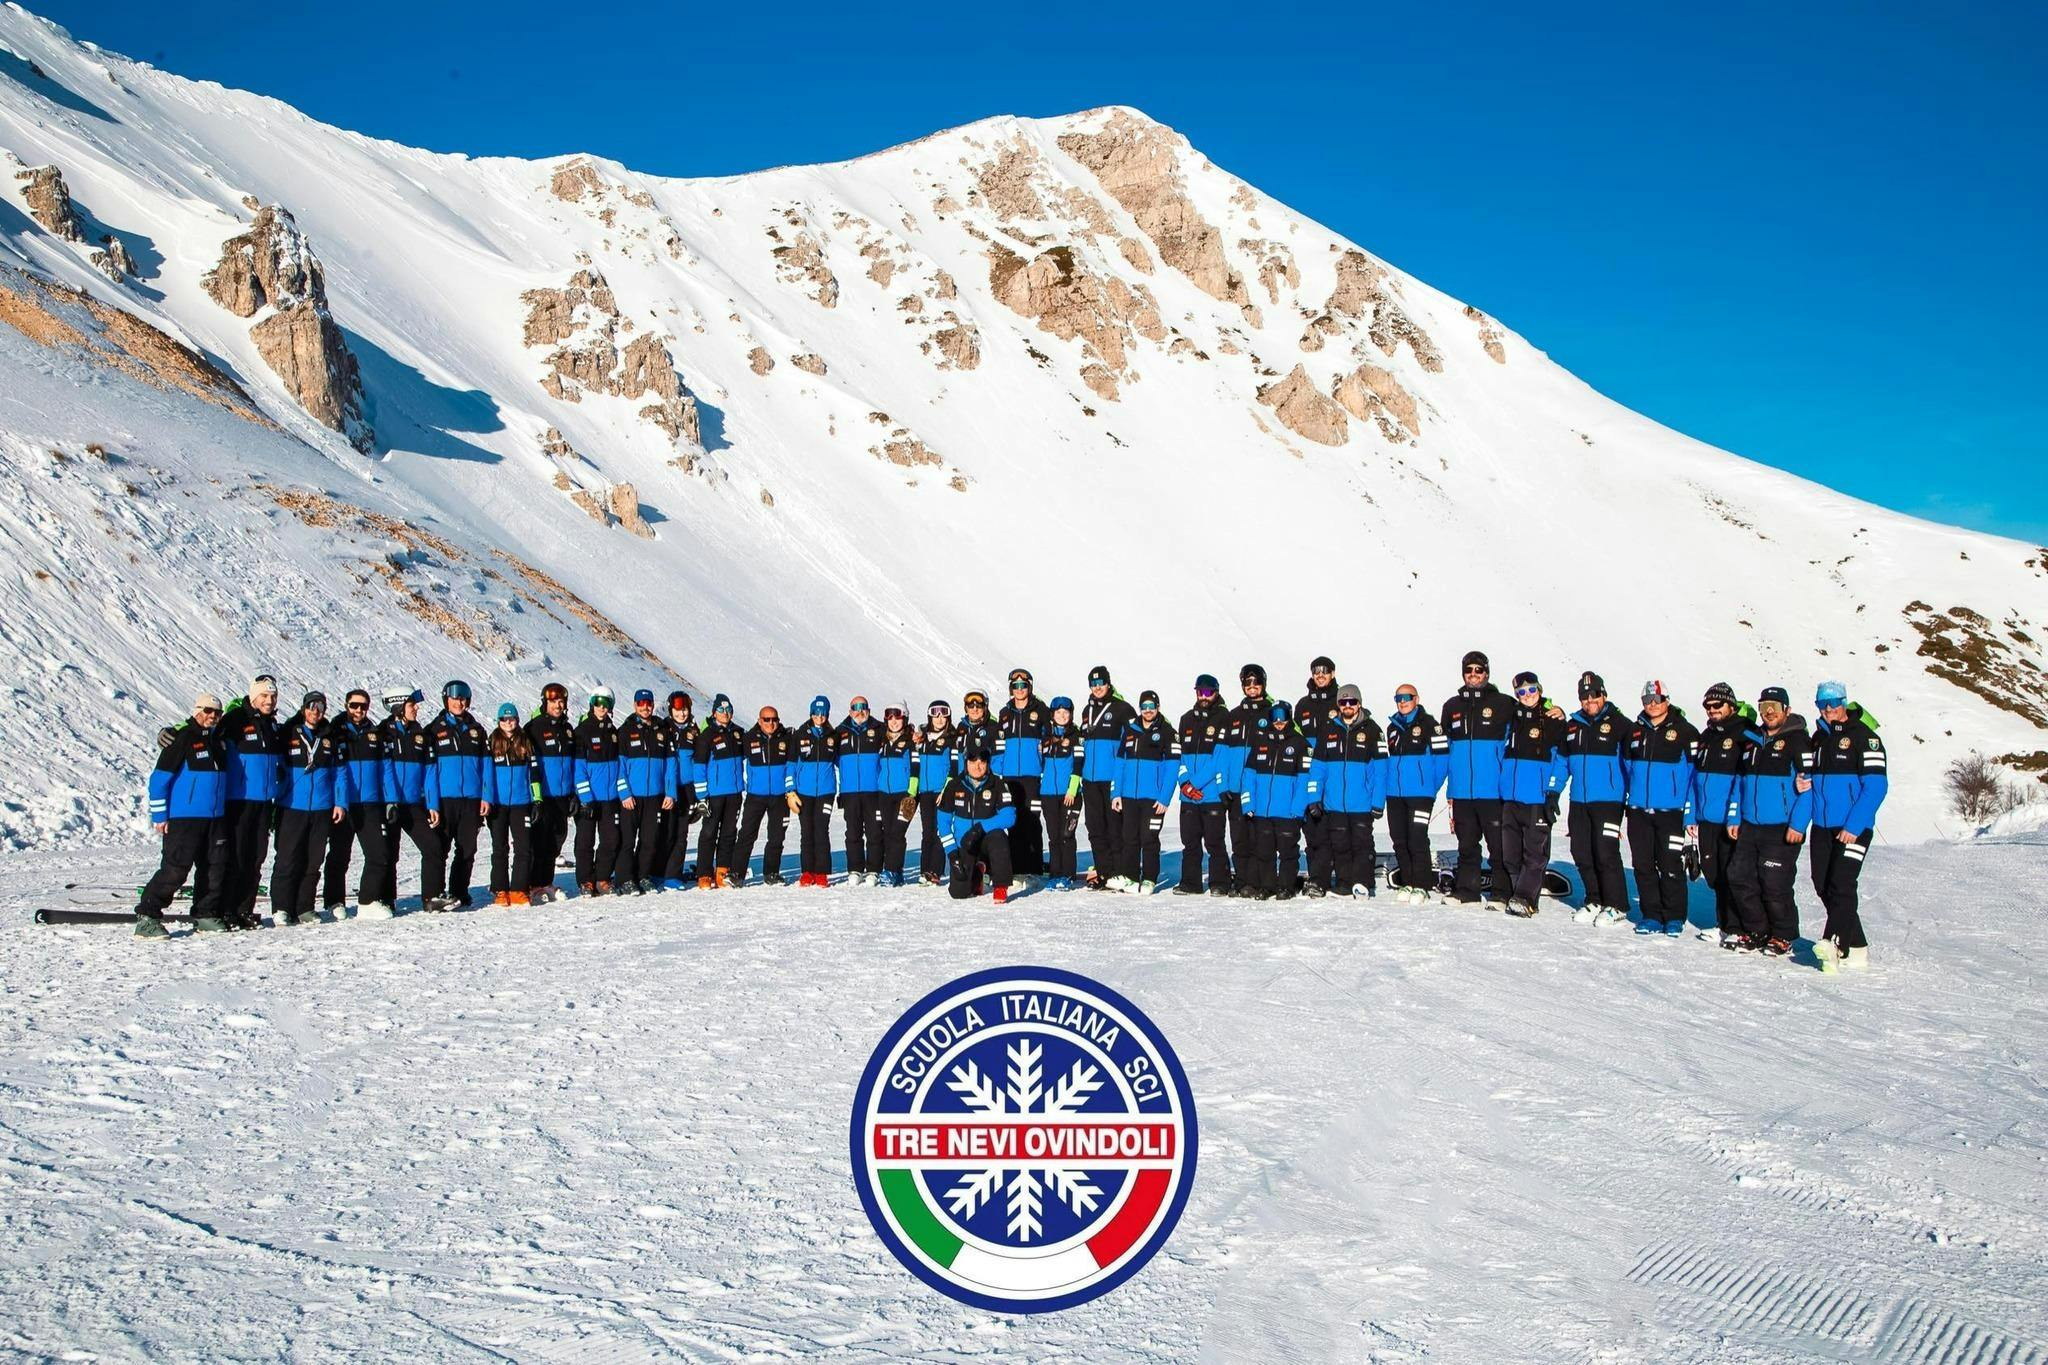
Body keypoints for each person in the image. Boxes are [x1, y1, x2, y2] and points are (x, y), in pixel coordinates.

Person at [1804, 681, 1887, 970]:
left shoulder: (1866, 738)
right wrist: (1805, 782)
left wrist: (1853, 825)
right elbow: (1815, 779)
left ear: (1844, 702)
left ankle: (1834, 944)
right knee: (1822, 884)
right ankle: (1858, 945)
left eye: (1834, 703)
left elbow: (1876, 787)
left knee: (1841, 884)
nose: (1829, 709)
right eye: (1822, 704)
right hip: (1823, 826)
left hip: (1853, 827)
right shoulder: (1818, 739)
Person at [137, 693, 232, 937]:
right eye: (208, 711)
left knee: (214, 867)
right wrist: (160, 815)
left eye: (217, 713)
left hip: (215, 817)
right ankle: (148, 916)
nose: (212, 716)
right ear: (197, 710)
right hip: (184, 817)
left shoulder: (219, 741)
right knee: (176, 868)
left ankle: (205, 914)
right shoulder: (182, 738)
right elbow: (159, 780)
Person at [1727, 686, 1810, 957]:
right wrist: (1734, 816)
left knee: (1774, 883)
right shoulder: (1751, 741)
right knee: (1740, 877)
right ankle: (1757, 930)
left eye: (1774, 706)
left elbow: (1811, 787)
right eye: (1764, 707)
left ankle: (1783, 935)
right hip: (1750, 824)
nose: (1769, 712)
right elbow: (1741, 783)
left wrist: (1798, 824)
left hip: (1782, 826)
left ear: (1787, 709)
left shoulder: (1799, 741)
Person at [1625, 679, 1699, 935]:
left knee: (1670, 865)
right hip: (1639, 812)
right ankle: (1652, 914)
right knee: (1643, 865)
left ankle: (1674, 916)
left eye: (1657, 700)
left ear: (1667, 700)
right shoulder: (1635, 731)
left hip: (1671, 813)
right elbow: (1627, 768)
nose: (1652, 705)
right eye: (1647, 700)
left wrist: (1689, 813)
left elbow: (1694, 776)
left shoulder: (1685, 731)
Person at [270, 691, 346, 926]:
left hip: (321, 807)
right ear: (304, 709)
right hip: (292, 806)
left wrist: (340, 802)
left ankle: (304, 907)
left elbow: (339, 773)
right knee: (287, 858)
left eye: (320, 707)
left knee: (313, 860)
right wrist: (279, 788)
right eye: (311, 707)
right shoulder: (288, 733)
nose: (315, 711)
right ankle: (282, 907)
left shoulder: (329, 736)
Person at [1442, 650, 1512, 905]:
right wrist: (1449, 789)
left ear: (1487, 673)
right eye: (1469, 670)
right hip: (1462, 790)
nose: (1473, 675)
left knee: (1499, 846)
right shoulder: (1452, 706)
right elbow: (1446, 749)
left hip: (1493, 790)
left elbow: (1534, 711)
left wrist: (1552, 707)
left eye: (1478, 670)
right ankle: (1467, 891)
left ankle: (1502, 892)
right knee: (1467, 845)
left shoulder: (1504, 704)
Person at [1305, 682, 1385, 898]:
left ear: (1359, 703)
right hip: (1334, 803)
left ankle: (1362, 883)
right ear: (1339, 704)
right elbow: (1317, 768)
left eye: (1352, 701)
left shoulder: (1373, 730)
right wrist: (1314, 797)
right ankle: (1343, 882)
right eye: (1343, 701)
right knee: (1339, 845)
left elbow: (1381, 771)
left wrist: (1378, 801)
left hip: (1361, 802)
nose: (1347, 705)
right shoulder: (1329, 730)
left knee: (1362, 845)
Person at [1498, 671, 1567, 917]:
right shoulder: (1511, 718)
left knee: (1535, 854)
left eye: (1531, 690)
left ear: (1539, 689)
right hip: (1510, 797)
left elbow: (1562, 760)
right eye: (1521, 692)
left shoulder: (1553, 720)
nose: (1527, 695)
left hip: (1537, 797)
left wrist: (1553, 791)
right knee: (1511, 853)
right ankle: (1521, 895)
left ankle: (1525, 898)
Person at [1564, 671, 1630, 924]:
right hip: (1579, 800)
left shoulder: (1621, 725)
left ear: (1603, 694)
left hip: (1609, 801)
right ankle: (1595, 899)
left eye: (1594, 695)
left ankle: (1617, 904)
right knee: (1580, 850)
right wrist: (1552, 791)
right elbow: (1562, 762)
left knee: (1605, 852)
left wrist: (1632, 799)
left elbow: (1632, 765)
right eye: (1584, 696)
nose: (1589, 700)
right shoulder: (1573, 726)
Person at [218, 674, 284, 928]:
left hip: (264, 802)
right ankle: (226, 910)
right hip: (239, 801)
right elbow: (203, 730)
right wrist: (172, 730)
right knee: (236, 857)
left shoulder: (272, 724)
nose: (269, 701)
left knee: (256, 858)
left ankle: (244, 909)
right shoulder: (235, 720)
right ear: (253, 696)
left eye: (273, 696)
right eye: (264, 696)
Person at [373, 687, 440, 918]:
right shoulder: (382, 733)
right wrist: (390, 800)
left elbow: (430, 771)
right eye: (412, 705)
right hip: (389, 804)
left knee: (433, 846)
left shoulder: (421, 734)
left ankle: (431, 898)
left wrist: (432, 804)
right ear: (399, 707)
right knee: (388, 853)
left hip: (413, 804)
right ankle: (386, 899)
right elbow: (383, 770)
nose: (417, 708)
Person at [1691, 681, 1750, 942]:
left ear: (1731, 705)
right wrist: (1690, 815)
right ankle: (1723, 922)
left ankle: (1736, 927)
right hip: (1706, 817)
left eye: (1717, 705)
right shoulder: (1706, 736)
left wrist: (1735, 814)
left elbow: (1745, 779)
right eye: (1708, 706)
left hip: (1730, 819)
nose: (1712, 710)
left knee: (1732, 874)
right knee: (1712, 872)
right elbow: (1695, 778)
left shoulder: (1745, 734)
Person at [1382, 683, 1448, 905]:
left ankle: (1422, 885)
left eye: (1406, 697)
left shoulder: (1431, 725)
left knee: (1417, 838)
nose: (1402, 701)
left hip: (1420, 794)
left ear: (1416, 699)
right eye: (1398, 698)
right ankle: (1408, 882)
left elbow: (1442, 759)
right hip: (1395, 794)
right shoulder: (1391, 728)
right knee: (1399, 838)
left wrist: (1430, 786)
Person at [426, 680, 490, 910]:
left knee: (467, 848)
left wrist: (486, 796)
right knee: (439, 847)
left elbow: (486, 767)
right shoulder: (434, 729)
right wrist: (431, 802)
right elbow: (429, 771)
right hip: (445, 799)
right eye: (454, 698)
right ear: (446, 700)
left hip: (471, 800)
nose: (459, 702)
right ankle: (436, 893)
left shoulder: (476, 730)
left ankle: (459, 890)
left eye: (463, 698)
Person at [1239, 698, 1311, 900]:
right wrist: (1248, 803)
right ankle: (1267, 885)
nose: (1279, 721)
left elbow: (1304, 779)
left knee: (1288, 852)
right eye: (1274, 717)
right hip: (1262, 810)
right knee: (1264, 851)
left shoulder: (1299, 743)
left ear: (1289, 718)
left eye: (1283, 716)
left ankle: (1286, 886)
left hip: (1287, 811)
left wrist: (1298, 808)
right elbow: (1248, 776)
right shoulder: (1260, 742)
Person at [1109, 690, 1179, 893]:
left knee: (1149, 838)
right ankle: (1130, 877)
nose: (1148, 711)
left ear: (1158, 707)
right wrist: (1116, 793)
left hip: (1153, 798)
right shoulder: (1130, 730)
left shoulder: (1167, 732)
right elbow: (1120, 764)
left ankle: (1149, 878)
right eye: (1144, 707)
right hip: (1130, 795)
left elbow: (1172, 768)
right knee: (1129, 837)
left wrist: (1164, 797)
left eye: (1152, 707)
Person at [324, 689, 384, 917]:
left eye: (363, 706)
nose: (358, 710)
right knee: (339, 854)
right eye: (354, 706)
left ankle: (367, 901)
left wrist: (386, 799)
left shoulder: (373, 732)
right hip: (344, 803)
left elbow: (383, 768)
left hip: (369, 802)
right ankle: (334, 901)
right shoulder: (335, 731)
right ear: (346, 705)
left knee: (378, 853)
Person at [1173, 675, 1231, 896]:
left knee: (1214, 842)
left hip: (1211, 793)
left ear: (1216, 692)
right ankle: (1191, 883)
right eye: (1200, 692)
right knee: (1190, 843)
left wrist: (1194, 783)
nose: (1204, 696)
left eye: (1208, 692)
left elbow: (1219, 759)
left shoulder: (1224, 717)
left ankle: (1220, 883)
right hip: (1188, 795)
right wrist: (1184, 783)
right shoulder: (1186, 718)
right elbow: (1180, 756)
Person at [1078, 666, 1136, 888]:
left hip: (1112, 778)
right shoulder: (1087, 710)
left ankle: (1119, 873)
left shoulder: (1123, 709)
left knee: (1114, 827)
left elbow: (1133, 743)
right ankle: (1103, 872)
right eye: (1093, 684)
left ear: (1108, 683)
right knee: (1094, 827)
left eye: (1101, 683)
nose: (1097, 687)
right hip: (1090, 780)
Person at [937, 746, 1017, 902]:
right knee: (958, 893)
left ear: (988, 764)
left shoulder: (998, 784)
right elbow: (943, 822)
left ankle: (1000, 886)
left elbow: (1009, 816)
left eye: (982, 762)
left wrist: (980, 828)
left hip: (987, 839)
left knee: (999, 836)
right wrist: (953, 855)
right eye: (973, 762)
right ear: (966, 763)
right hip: (964, 842)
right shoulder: (954, 785)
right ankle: (978, 872)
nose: (977, 766)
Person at [616, 688, 674, 895]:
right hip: (632, 797)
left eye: (648, 703)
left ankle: (643, 875)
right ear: (635, 705)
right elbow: (619, 766)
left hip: (655, 796)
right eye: (640, 703)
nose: (645, 707)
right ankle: (625, 879)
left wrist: (670, 792)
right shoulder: (625, 730)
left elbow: (670, 765)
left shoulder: (661, 730)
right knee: (628, 840)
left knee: (649, 840)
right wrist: (624, 793)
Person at [525, 682, 577, 903]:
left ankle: (545, 882)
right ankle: (532, 884)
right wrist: (534, 797)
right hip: (543, 795)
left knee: (557, 840)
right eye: (554, 701)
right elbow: (528, 766)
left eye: (561, 701)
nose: (558, 704)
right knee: (539, 842)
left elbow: (574, 764)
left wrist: (574, 793)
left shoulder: (567, 729)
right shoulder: (533, 728)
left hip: (562, 795)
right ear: (544, 702)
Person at [994, 670, 1049, 878]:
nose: (1020, 690)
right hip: (1009, 777)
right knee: (1013, 821)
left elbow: (1049, 740)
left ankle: (1034, 868)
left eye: (1023, 685)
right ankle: (1017, 868)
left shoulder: (1040, 710)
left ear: (1030, 687)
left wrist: (1043, 768)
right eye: (1015, 686)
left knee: (1033, 821)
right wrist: (998, 770)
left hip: (1032, 775)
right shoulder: (1004, 713)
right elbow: (999, 745)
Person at [572, 689, 627, 895]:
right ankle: (585, 880)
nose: (602, 707)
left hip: (610, 798)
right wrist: (585, 798)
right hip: (590, 799)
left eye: (606, 703)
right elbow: (578, 769)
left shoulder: (614, 732)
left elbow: (619, 765)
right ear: (591, 704)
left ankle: (603, 878)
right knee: (585, 841)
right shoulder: (582, 731)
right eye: (598, 703)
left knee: (611, 839)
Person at [1218, 665, 1269, 887]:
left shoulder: (1272, 713)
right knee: (1239, 839)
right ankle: (1241, 880)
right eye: (1247, 683)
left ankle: (1258, 881)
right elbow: (1222, 755)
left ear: (1263, 684)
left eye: (1256, 682)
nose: (1252, 687)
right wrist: (1223, 785)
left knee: (1260, 838)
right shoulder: (1233, 716)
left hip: (1261, 788)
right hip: (1236, 788)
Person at [1296, 657, 1342, 891]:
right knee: (1311, 828)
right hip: (1306, 774)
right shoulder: (1303, 705)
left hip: (1332, 774)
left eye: (1325, 671)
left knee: (1327, 828)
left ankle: (1321, 880)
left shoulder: (1341, 700)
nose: (1320, 675)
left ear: (1333, 673)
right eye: (1316, 671)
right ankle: (1315, 875)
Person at [736, 705, 795, 885]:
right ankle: (737, 873)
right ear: (760, 720)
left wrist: (791, 790)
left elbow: (793, 764)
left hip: (780, 797)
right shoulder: (748, 738)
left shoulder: (787, 738)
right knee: (747, 834)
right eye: (767, 719)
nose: (771, 723)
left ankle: (771, 873)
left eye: (774, 719)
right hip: (756, 796)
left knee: (776, 836)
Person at [693, 695, 746, 888]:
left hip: (734, 792)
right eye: (722, 710)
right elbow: (698, 767)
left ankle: (722, 870)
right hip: (714, 793)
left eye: (729, 710)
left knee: (729, 832)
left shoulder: (738, 733)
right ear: (714, 712)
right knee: (709, 832)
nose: (726, 714)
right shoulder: (706, 736)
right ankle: (704, 872)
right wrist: (701, 797)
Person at [486, 703, 536, 906]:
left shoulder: (524, 741)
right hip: (498, 804)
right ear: (499, 721)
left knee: (523, 847)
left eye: (512, 719)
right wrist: (487, 799)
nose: (508, 723)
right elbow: (486, 774)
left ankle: (518, 889)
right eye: (504, 719)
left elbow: (534, 773)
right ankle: (500, 889)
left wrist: (536, 799)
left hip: (520, 802)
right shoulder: (492, 741)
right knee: (500, 847)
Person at [835, 696, 885, 885]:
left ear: (869, 710)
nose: (859, 711)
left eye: (863, 707)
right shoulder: (840, 732)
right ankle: (855, 869)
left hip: (873, 791)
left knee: (874, 831)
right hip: (850, 792)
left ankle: (873, 869)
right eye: (855, 708)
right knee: (853, 832)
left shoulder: (880, 729)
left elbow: (900, 736)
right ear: (850, 711)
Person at [1037, 697, 1085, 891]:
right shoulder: (1046, 736)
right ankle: (1055, 873)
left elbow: (1079, 765)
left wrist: (1072, 789)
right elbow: (1040, 763)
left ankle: (1068, 874)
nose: (1062, 716)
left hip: (1069, 794)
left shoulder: (1077, 736)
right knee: (1054, 836)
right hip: (1048, 793)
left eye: (1066, 713)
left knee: (1067, 835)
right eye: (1058, 713)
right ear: (1052, 715)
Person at [791, 696, 839, 886]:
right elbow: (791, 764)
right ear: (811, 713)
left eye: (823, 713)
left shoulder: (833, 735)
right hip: (804, 792)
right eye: (816, 713)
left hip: (826, 792)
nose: (820, 717)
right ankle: (807, 871)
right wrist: (790, 790)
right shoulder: (801, 734)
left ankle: (821, 872)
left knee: (821, 830)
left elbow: (842, 761)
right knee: (807, 831)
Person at [657, 691, 700, 890]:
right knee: (664, 831)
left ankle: (672, 874)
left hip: (687, 788)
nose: (682, 714)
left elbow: (700, 761)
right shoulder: (663, 728)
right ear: (670, 710)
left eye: (685, 710)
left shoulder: (694, 730)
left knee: (681, 832)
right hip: (667, 787)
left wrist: (699, 794)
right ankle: (658, 871)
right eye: (678, 710)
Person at [915, 701, 959, 885]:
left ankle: (935, 871)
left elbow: (955, 768)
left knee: (941, 831)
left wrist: (947, 790)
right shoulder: (922, 739)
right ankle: (924, 870)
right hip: (924, 792)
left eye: (943, 714)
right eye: (936, 714)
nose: (940, 718)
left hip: (942, 792)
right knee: (928, 832)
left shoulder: (952, 739)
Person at [875, 703, 918, 886]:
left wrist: (911, 794)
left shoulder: (911, 742)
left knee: (897, 833)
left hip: (905, 795)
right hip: (884, 794)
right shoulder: (882, 741)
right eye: (890, 718)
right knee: (887, 832)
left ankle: (891, 871)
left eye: (897, 718)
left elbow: (915, 768)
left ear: (905, 719)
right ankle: (897, 871)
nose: (893, 722)